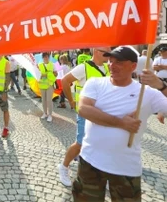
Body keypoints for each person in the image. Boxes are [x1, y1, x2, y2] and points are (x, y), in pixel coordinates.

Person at [72, 46, 167, 201]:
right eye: (110, 60)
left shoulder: (147, 93)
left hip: (125, 167)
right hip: (90, 162)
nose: (112, 65)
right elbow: (83, 109)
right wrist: (120, 123)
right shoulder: (95, 83)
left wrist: (162, 86)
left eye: (119, 62)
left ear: (133, 66)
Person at [58, 47, 111, 187]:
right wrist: (71, 100)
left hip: (101, 113)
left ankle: (99, 175)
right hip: (85, 113)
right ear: (96, 51)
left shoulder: (107, 67)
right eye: (106, 52)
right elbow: (64, 81)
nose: (109, 55)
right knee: (80, 142)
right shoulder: (83, 67)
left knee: (100, 143)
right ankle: (63, 167)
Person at [39, 52, 57, 122]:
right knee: (43, 100)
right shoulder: (39, 65)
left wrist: (49, 74)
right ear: (43, 58)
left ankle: (50, 115)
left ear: (49, 57)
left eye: (47, 57)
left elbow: (56, 74)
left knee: (49, 100)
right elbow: (37, 75)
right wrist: (43, 75)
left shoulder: (53, 64)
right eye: (44, 57)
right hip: (42, 85)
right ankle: (45, 113)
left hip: (50, 84)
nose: (46, 58)